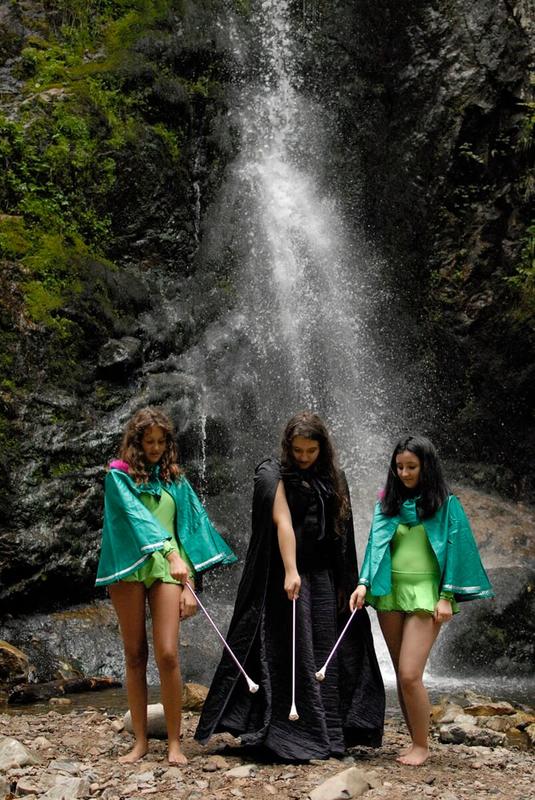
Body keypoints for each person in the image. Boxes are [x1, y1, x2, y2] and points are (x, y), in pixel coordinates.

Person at [195, 410, 385, 762]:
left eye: (310, 451)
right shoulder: (274, 474)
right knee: (290, 655)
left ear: (322, 449)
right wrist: (290, 570)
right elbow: (281, 523)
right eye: (298, 450)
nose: (304, 457)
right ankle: (285, 732)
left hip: (324, 577)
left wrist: (348, 580)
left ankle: (328, 734)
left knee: (324, 652)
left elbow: (343, 534)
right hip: (287, 579)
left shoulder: (334, 478)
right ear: (288, 446)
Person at [95, 406, 237, 765]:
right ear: (136, 441)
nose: (155, 448)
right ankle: (140, 741)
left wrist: (190, 584)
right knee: (134, 655)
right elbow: (136, 518)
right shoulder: (119, 476)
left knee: (169, 654)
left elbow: (189, 530)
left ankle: (175, 742)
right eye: (149, 441)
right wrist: (170, 553)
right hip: (130, 567)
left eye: (161, 441)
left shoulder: (176, 479)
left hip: (168, 570)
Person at [350, 434, 494, 766]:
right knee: (402, 675)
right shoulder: (387, 503)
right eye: (399, 467)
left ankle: (421, 746)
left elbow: (457, 552)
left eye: (411, 467)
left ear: (426, 466)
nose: (404, 473)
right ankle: (415, 740)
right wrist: (362, 584)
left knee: (411, 673)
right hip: (389, 593)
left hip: (427, 595)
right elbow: (375, 546)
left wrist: (446, 597)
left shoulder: (446, 504)